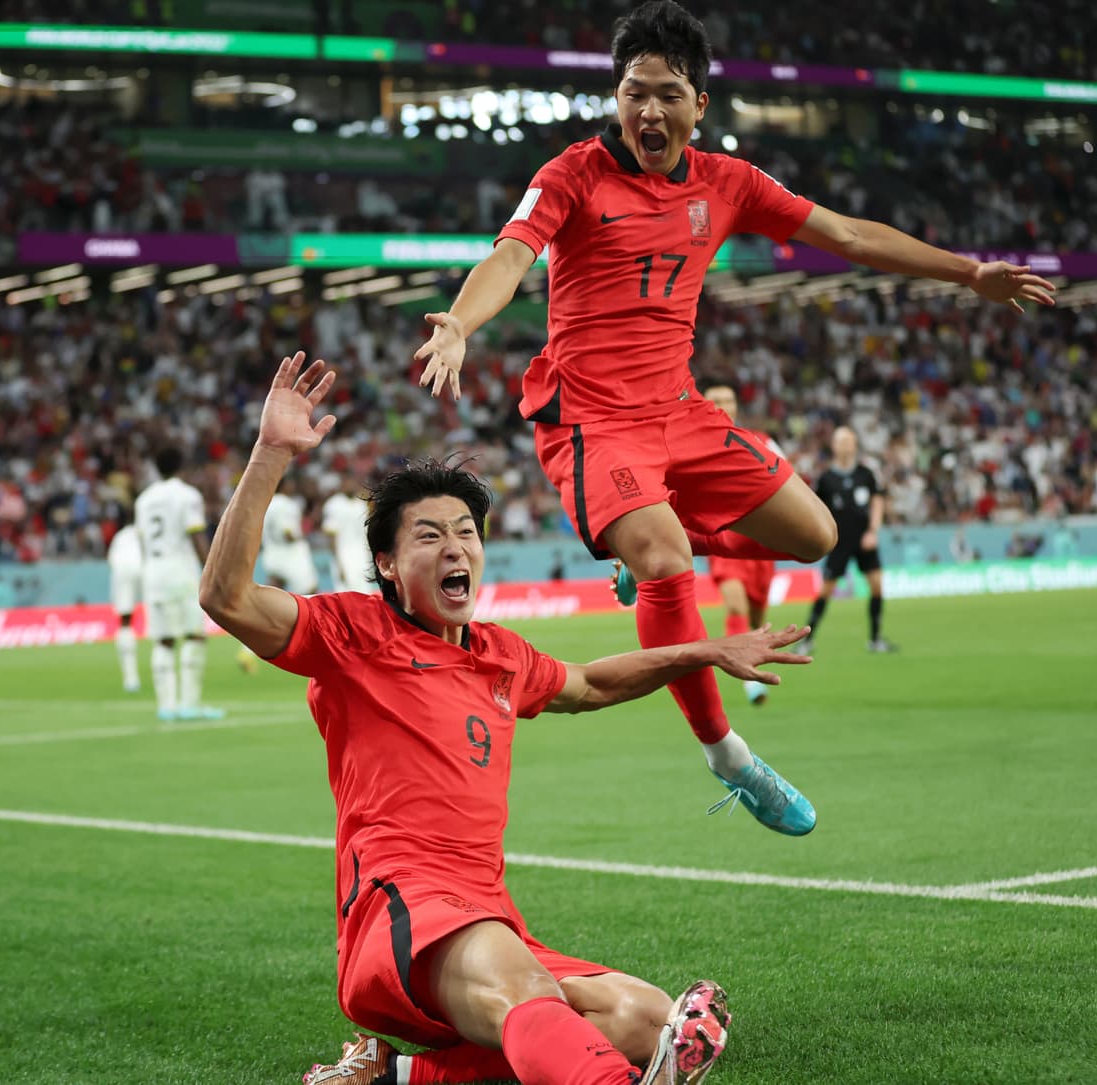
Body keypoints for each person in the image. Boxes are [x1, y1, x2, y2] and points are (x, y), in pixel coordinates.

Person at [413, 0, 1054, 834]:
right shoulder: (573, 174)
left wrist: (968, 274)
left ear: (700, 105)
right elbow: (510, 255)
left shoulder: (727, 183)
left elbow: (848, 235)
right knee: (667, 560)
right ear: (616, 97)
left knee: (817, 534)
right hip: (595, 421)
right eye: (634, 92)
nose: (649, 110)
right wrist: (460, 324)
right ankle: (729, 754)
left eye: (668, 94)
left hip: (680, 411)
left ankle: (649, 548)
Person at [199, 352, 815, 1085]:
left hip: (490, 913)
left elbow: (591, 683)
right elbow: (226, 598)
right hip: (403, 906)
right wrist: (271, 454)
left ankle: (393, 1075)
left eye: (466, 532)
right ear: (388, 565)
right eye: (429, 535)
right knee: (529, 997)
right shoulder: (353, 633)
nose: (455, 547)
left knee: (647, 1020)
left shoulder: (499, 654)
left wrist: (705, 650)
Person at [695, 382, 781, 706]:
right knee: (735, 605)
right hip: (721, 540)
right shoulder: (690, 445)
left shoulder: (761, 442)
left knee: (757, 617)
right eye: (715, 399)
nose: (722, 405)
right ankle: (749, 681)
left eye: (728, 399)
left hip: (758, 542)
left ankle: (753, 659)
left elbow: (789, 482)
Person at [135, 447, 224, 722]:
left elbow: (142, 540)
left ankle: (166, 706)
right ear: (182, 467)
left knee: (163, 640)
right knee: (194, 635)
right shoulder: (188, 495)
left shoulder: (144, 499)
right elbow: (196, 535)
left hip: (153, 571)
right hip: (180, 572)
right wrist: (213, 571)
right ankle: (189, 705)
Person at [800, 427, 895, 654]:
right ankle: (806, 640)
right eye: (841, 441)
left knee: (877, 586)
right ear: (834, 445)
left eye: (849, 441)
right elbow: (815, 509)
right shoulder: (826, 479)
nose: (845, 445)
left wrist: (873, 531)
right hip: (838, 542)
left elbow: (878, 502)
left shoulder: (866, 474)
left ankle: (875, 639)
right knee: (826, 590)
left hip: (864, 540)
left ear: (855, 445)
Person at [106, 515, 143, 693]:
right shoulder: (144, 530)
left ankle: (131, 679)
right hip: (144, 565)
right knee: (160, 621)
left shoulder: (120, 536)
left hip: (122, 569)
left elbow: (111, 560)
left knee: (125, 621)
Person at [321, 474, 374, 592]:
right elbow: (331, 536)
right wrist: (338, 562)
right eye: (347, 483)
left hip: (361, 555)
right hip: (343, 554)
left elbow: (365, 533)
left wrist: (369, 556)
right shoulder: (333, 504)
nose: (350, 485)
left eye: (352, 483)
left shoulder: (361, 504)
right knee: (345, 593)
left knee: (364, 592)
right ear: (342, 484)